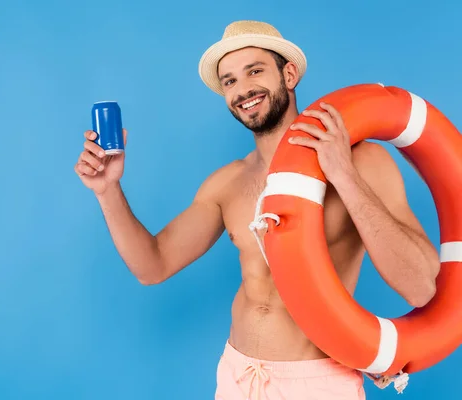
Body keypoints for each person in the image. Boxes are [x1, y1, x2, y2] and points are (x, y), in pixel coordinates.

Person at [74, 20, 440, 400]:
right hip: (238, 376)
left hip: (317, 382)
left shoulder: (361, 162)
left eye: (255, 71)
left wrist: (343, 176)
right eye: (229, 81)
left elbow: (422, 286)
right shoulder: (228, 182)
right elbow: (153, 266)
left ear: (289, 73)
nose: (242, 89)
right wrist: (107, 190)